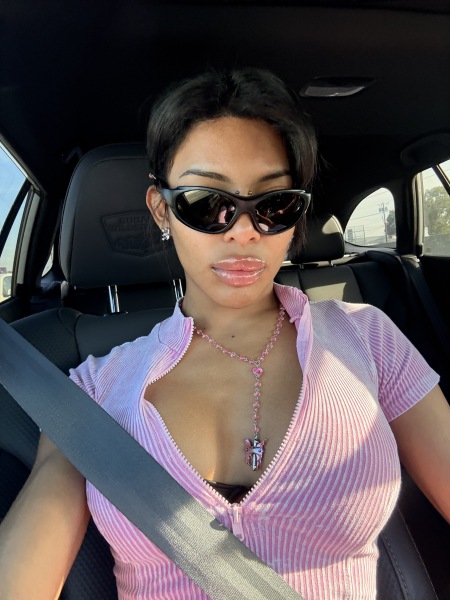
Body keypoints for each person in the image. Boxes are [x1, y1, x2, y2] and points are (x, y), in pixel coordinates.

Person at [0, 67, 449, 600]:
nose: (243, 230)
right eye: (206, 202)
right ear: (162, 210)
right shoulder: (92, 391)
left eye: (274, 204)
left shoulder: (368, 338)